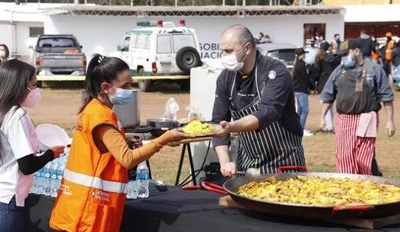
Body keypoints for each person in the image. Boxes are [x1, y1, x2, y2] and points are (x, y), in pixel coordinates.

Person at [49, 54, 192, 232]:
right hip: (88, 211)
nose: (129, 90)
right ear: (106, 87)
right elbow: (127, 159)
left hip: (84, 205)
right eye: (124, 86)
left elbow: (101, 146)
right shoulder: (101, 115)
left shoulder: (97, 109)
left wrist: (124, 140)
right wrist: (164, 139)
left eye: (130, 84)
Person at [212, 24, 306, 177]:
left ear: (247, 48)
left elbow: (267, 113)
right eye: (222, 51)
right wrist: (225, 162)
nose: (224, 55)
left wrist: (231, 127)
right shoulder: (225, 79)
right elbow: (218, 123)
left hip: (285, 163)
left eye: (228, 51)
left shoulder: (276, 72)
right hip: (249, 165)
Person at [0, 59, 65, 232]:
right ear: (19, 85)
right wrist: (51, 153)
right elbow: (27, 165)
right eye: (33, 85)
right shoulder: (17, 115)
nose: (36, 91)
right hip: (9, 198)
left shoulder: (3, 111)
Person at [320, 39, 395, 175]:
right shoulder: (339, 71)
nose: (343, 58)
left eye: (345, 54)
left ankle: (367, 187)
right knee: (345, 156)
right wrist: (322, 117)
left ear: (356, 51)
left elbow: (386, 97)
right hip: (344, 119)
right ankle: (347, 189)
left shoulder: (375, 70)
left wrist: (390, 121)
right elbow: (328, 95)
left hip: (367, 118)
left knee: (364, 158)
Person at [313, 41, 341, 134]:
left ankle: (327, 127)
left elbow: (316, 73)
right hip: (332, 84)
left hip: (322, 84)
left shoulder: (319, 58)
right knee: (331, 107)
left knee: (325, 106)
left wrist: (315, 84)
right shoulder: (333, 58)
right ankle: (330, 126)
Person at [292, 47, 314, 136]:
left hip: (296, 90)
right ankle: (301, 129)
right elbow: (306, 78)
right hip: (301, 90)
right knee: (305, 110)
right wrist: (312, 88)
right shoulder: (301, 65)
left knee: (299, 110)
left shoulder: (296, 65)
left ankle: (298, 128)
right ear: (301, 55)